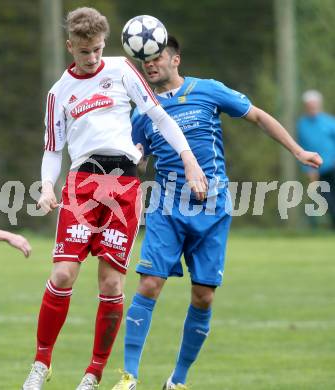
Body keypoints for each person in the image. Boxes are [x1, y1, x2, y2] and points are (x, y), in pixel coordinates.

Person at [112, 36, 322, 390]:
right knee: (149, 283)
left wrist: (298, 151)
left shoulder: (206, 90)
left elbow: (256, 116)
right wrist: (132, 159)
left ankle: (177, 381)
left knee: (204, 295)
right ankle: (129, 376)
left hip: (213, 207)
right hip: (167, 205)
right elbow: (139, 157)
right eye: (143, 59)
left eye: (157, 56)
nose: (150, 64)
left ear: (175, 59)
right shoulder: (144, 111)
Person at [22, 10, 207, 390]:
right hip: (82, 184)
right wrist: (45, 186)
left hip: (124, 186)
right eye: (85, 51)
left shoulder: (122, 69)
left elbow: (157, 115)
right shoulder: (59, 92)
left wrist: (188, 158)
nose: (93, 58)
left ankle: (94, 373)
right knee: (62, 274)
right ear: (70, 46)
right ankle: (41, 364)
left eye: (98, 50)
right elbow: (53, 150)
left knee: (111, 286)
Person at [297, 89, 335, 228]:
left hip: (333, 166)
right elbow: (302, 147)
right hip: (318, 170)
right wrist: (307, 168)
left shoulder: (330, 122)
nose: (312, 107)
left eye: (314, 104)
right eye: (309, 104)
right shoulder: (302, 125)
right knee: (327, 199)